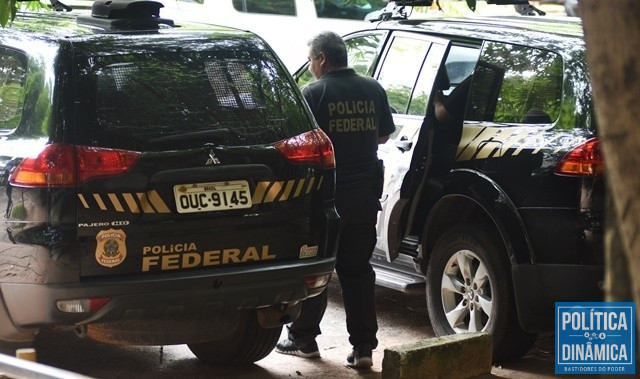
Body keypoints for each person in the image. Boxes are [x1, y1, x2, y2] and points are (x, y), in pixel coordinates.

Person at [275, 31, 395, 368]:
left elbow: (296, 142)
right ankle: (363, 350)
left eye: (312, 60)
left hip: (324, 200)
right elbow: (383, 134)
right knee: (357, 271)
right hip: (364, 196)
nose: (311, 67)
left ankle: (303, 338)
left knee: (317, 266)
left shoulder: (314, 93)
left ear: (322, 59)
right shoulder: (373, 89)